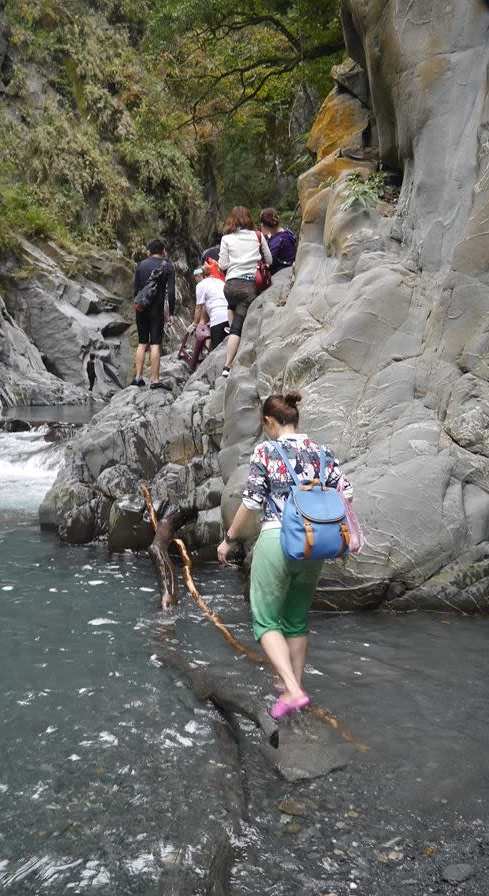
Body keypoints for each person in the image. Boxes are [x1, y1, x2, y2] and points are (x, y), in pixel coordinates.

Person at [216, 390, 352, 721]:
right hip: (314, 546)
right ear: (296, 418)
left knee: (265, 620)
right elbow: (347, 494)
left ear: (269, 422)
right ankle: (291, 686)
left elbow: (250, 502)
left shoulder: (267, 451)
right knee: (296, 619)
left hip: (278, 539)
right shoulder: (322, 453)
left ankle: (292, 689)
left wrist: (229, 539)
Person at [218, 206, 272, 378]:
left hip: (230, 286)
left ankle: (230, 336)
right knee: (238, 327)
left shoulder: (226, 239)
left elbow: (223, 265)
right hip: (248, 286)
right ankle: (227, 366)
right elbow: (269, 260)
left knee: (232, 304)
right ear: (248, 218)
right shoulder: (257, 236)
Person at [132, 238, 175, 390]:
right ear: (163, 250)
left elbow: (136, 289)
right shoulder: (167, 266)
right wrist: (171, 313)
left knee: (142, 342)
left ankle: (138, 377)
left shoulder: (140, 265)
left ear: (149, 251)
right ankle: (155, 380)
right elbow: (171, 292)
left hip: (141, 308)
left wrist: (137, 305)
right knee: (155, 343)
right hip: (156, 310)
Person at [190, 259, 229, 349]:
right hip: (229, 317)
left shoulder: (201, 285)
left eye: (195, 276)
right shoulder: (220, 281)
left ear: (199, 276)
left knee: (217, 350)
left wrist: (194, 324)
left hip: (218, 318)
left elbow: (198, 307)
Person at [259, 208, 297, 273]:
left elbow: (270, 263)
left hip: (281, 272)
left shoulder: (276, 241)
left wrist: (262, 236)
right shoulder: (287, 233)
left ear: (264, 226)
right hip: (293, 267)